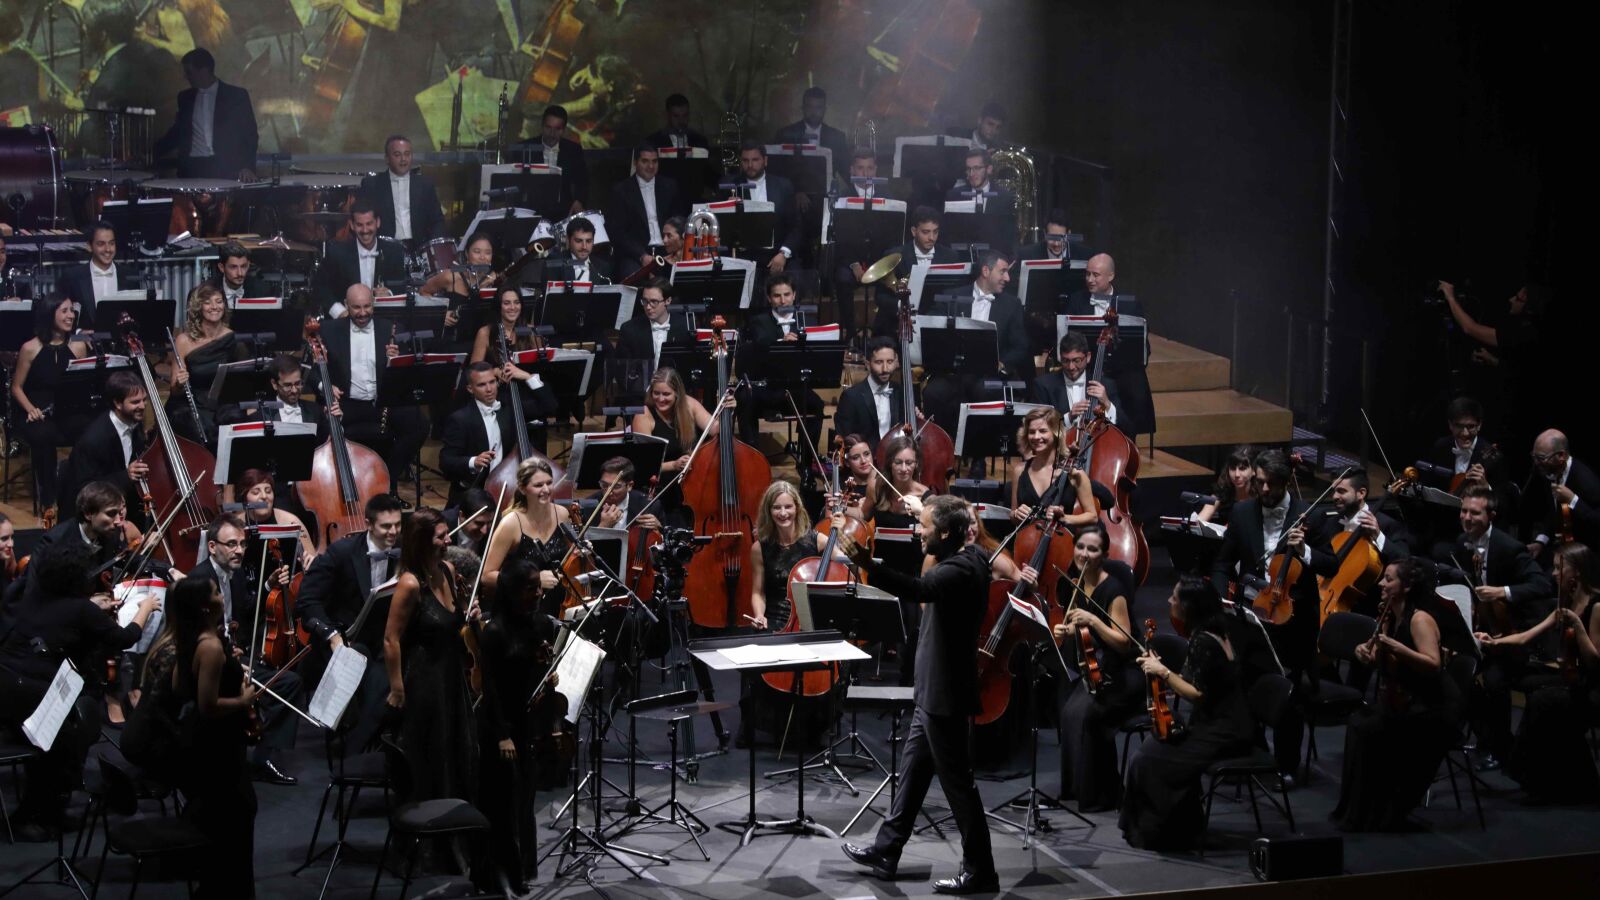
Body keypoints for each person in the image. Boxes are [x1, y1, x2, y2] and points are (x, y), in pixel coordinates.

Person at [840, 495, 998, 895]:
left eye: (925, 526)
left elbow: (917, 588)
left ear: (945, 532)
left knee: (958, 786)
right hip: (932, 691)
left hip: (945, 695)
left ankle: (981, 871)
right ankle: (886, 851)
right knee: (912, 775)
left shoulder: (960, 569)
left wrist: (868, 563)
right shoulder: (965, 557)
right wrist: (924, 507)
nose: (918, 531)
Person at [0, 542, 159, 842]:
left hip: (8, 686)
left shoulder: (35, 598)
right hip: (32, 695)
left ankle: (51, 811)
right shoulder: (81, 609)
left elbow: (69, 615)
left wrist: (92, 607)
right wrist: (145, 609)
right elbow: (124, 637)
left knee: (65, 742)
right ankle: (27, 816)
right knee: (59, 749)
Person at [1209, 449, 1335, 773]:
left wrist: (1305, 550)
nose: (1264, 490)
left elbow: (1331, 565)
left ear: (1286, 482)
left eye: (1272, 484)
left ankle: (1286, 766)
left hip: (1294, 619)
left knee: (1288, 695)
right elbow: (1223, 564)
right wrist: (1222, 599)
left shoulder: (1310, 516)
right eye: (1260, 482)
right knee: (1245, 685)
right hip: (1253, 615)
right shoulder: (1242, 512)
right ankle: (1256, 758)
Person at [1120, 576, 1254, 850]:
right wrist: (1163, 670)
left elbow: (1197, 694)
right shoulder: (1217, 630)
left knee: (1148, 760)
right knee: (1151, 750)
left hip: (1224, 731)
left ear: (1189, 607)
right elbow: (1195, 680)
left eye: (1175, 598)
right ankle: (1182, 827)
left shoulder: (1204, 641)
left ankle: (1168, 834)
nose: (1169, 601)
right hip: (1224, 722)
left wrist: (1163, 672)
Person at [1331, 557, 1463, 832]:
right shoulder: (1389, 614)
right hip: (1406, 698)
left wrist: (1397, 648)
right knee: (1358, 723)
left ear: (1407, 586)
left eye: (1389, 579)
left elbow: (1433, 664)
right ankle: (1361, 811)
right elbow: (1381, 658)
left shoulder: (1420, 619)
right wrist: (1363, 652)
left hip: (1434, 706)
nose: (1381, 583)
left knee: (1370, 730)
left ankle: (1382, 812)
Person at [1436, 483, 1553, 770]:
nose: (1466, 518)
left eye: (1474, 513)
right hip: (1485, 627)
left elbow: (1542, 585)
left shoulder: (1510, 548)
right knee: (1456, 671)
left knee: (1493, 680)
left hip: (1516, 632)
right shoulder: (1462, 543)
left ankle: (1500, 749)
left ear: (1491, 516)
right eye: (1463, 511)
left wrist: (1503, 591)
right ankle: (1479, 736)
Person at [383, 507, 476, 861]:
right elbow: (391, 639)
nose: (448, 541)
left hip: (451, 678)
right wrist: (397, 688)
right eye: (441, 536)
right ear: (422, 540)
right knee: (431, 759)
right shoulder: (410, 584)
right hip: (422, 683)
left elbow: (457, 620)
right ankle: (427, 849)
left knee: (455, 753)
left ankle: (454, 840)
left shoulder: (448, 571)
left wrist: (469, 612)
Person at [191, 514, 301, 785]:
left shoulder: (236, 574)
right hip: (212, 664)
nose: (239, 550)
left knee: (289, 682)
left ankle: (264, 758)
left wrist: (268, 587)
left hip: (237, 654)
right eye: (231, 544)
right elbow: (194, 638)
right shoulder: (199, 581)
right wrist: (230, 662)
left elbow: (247, 611)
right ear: (212, 547)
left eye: (242, 544)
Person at [167, 573, 260, 897]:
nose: (223, 596)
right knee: (236, 818)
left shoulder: (190, 638)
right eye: (216, 593)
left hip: (198, 741)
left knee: (218, 822)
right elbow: (208, 706)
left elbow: (179, 686)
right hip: (218, 746)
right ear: (206, 607)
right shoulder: (210, 648)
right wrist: (243, 700)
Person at [1485, 542, 1600, 802]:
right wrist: (1492, 642)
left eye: (1559, 568)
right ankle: (1541, 776)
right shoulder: (1565, 603)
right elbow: (1525, 637)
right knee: (1524, 681)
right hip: (1575, 679)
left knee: (1543, 700)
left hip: (1593, 687)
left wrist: (1578, 626)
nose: (1553, 573)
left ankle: (1529, 773)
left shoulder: (1596, 606)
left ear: (1576, 572)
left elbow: (1595, 662)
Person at [471, 558, 560, 894]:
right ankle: (498, 875)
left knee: (523, 802)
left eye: (538, 587)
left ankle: (520, 870)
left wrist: (547, 674)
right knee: (502, 804)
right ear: (511, 592)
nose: (538, 593)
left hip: (526, 724)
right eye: (530, 588)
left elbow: (531, 670)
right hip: (501, 726)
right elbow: (490, 688)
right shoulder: (494, 631)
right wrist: (502, 735)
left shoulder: (537, 625)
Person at [294, 493, 404, 754]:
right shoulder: (341, 552)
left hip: (383, 639)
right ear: (369, 524)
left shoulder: (403, 552)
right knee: (372, 674)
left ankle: (370, 740)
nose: (393, 532)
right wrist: (332, 636)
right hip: (344, 640)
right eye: (386, 526)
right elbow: (307, 600)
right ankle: (358, 745)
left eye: (398, 525)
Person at [1048, 522, 1140, 811]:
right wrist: (1068, 631)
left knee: (1089, 714)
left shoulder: (1114, 590)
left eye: (1093, 549)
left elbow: (1123, 643)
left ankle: (1102, 794)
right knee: (1069, 711)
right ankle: (1077, 789)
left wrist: (1094, 621)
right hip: (1098, 667)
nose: (1084, 554)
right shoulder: (1076, 582)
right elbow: (1084, 632)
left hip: (1126, 672)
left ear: (1104, 555)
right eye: (1080, 546)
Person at [309, 283, 424, 495]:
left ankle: (387, 479)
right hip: (347, 403)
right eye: (356, 307)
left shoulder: (389, 328)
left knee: (419, 424)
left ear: (373, 303)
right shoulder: (329, 330)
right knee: (323, 427)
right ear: (346, 305)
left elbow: (406, 371)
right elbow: (312, 372)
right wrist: (325, 386)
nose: (362, 313)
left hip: (381, 403)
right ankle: (335, 490)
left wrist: (396, 359)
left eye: (367, 306)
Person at [919, 248, 1033, 441]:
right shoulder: (951, 296)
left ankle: (978, 450)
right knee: (933, 392)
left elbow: (1021, 346)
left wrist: (1002, 363)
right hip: (955, 373)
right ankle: (943, 446)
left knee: (982, 390)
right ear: (986, 271)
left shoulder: (1012, 304)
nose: (1007, 278)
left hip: (991, 376)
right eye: (1003, 271)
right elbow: (931, 326)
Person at [10, 295, 92, 512]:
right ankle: (49, 500)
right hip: (35, 412)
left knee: (89, 428)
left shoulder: (78, 346)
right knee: (43, 434)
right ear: (50, 314)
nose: (71, 315)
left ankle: (79, 491)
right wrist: (31, 409)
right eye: (64, 311)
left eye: (72, 310)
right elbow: (16, 387)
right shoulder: (30, 348)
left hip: (65, 411)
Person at [1062, 253, 1155, 437]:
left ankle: (1129, 436)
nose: (1089, 279)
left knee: (1134, 381)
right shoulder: (1076, 300)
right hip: (1089, 368)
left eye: (1095, 275)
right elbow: (1068, 340)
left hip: (1120, 370)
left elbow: (1142, 347)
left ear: (1111, 276)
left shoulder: (1130, 304)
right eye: (1087, 274)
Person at [735, 272, 826, 446]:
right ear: (769, 298)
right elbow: (756, 353)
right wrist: (781, 344)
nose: (783, 301)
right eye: (777, 296)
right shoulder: (757, 322)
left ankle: (806, 457)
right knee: (745, 400)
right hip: (765, 387)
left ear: (794, 295)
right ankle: (753, 456)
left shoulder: (808, 321)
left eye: (787, 295)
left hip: (795, 387)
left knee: (816, 405)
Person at [480, 457, 577, 613]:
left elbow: (571, 557)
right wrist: (533, 580)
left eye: (549, 483)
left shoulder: (562, 514)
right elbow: (486, 575)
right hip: (521, 608)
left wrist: (581, 552)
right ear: (523, 489)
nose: (546, 489)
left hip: (560, 603)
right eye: (538, 485)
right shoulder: (511, 524)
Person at [468, 286, 558, 453]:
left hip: (526, 389)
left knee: (543, 406)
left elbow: (540, 370)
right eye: (507, 303)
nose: (512, 307)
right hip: (500, 391)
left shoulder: (530, 331)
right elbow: (474, 369)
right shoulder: (486, 332)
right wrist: (495, 371)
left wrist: (523, 374)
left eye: (516, 303)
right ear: (499, 306)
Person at [151, 47, 257, 181]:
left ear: (204, 71)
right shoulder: (185, 98)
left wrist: (247, 166)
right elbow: (178, 132)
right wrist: (150, 152)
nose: (186, 77)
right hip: (191, 168)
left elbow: (249, 134)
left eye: (189, 72)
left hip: (225, 168)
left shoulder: (236, 96)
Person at [58, 369, 150, 521]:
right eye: (135, 402)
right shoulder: (93, 440)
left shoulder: (134, 422)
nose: (142, 406)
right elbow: (86, 487)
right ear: (118, 403)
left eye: (144, 400)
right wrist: (126, 476)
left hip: (121, 506)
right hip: (92, 516)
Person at [631, 367, 719, 520]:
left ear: (677, 393)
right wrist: (674, 465)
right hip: (661, 485)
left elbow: (715, 430)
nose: (660, 399)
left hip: (691, 480)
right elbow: (645, 465)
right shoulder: (644, 414)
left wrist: (728, 410)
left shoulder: (689, 404)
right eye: (656, 393)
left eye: (666, 394)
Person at [440, 361, 522, 507]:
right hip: (472, 495)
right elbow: (445, 462)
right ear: (470, 389)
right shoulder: (460, 419)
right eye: (482, 385)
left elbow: (548, 405)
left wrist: (528, 377)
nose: (489, 389)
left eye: (492, 382)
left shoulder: (509, 410)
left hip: (506, 489)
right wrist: (473, 462)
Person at [871, 207, 962, 337]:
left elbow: (953, 293)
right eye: (926, 232)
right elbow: (880, 297)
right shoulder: (894, 255)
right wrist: (902, 307)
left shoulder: (950, 256)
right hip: (897, 322)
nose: (932, 238)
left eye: (935, 232)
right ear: (914, 231)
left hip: (936, 322)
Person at [1007, 406, 1101, 526]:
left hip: (1060, 536)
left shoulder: (1074, 472)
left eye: (1042, 431)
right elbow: (1013, 514)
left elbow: (1092, 516)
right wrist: (1016, 514)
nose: (1036, 437)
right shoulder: (1019, 470)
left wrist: (1065, 518)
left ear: (1056, 433)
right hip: (1026, 537)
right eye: (1031, 432)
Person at [169, 282, 238, 444]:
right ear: (198, 307)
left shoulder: (232, 338)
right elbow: (174, 391)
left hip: (222, 403)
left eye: (219, 301)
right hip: (193, 403)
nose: (214, 307)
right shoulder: (183, 340)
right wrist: (179, 383)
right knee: (190, 423)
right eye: (207, 302)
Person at [316, 201, 408, 315]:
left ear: (378, 222)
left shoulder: (394, 251)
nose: (365, 230)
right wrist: (339, 312)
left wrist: (389, 293)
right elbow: (320, 287)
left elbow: (402, 286)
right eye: (359, 225)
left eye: (369, 224)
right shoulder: (337, 253)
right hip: (346, 319)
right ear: (352, 225)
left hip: (383, 318)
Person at [1521, 429, 1600, 556]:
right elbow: (1554, 512)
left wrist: (1573, 500)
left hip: (1586, 554)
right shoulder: (1548, 470)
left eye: (1541, 458)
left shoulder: (1586, 481)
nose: (1536, 462)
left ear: (1561, 456)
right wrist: (1540, 542)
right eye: (1534, 457)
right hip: (1561, 548)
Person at [609, 145, 683, 280]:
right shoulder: (621, 190)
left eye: (654, 161)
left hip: (666, 249)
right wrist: (641, 255)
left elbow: (678, 220)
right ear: (635, 162)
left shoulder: (670, 186)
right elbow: (618, 232)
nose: (651, 166)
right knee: (631, 278)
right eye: (645, 161)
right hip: (636, 253)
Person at [358, 134, 444, 243]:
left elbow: (437, 221)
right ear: (387, 158)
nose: (403, 159)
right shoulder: (371, 185)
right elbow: (362, 219)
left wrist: (433, 245)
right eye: (397, 155)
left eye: (407, 154)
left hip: (419, 247)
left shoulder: (425, 185)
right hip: (385, 247)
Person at [733, 140, 803, 273]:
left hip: (778, 253)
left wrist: (783, 253)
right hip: (746, 256)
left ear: (765, 161)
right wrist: (728, 208)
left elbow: (796, 227)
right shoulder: (731, 186)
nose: (750, 165)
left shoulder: (783, 186)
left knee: (794, 275)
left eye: (755, 160)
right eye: (745, 160)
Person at [834, 336, 911, 452]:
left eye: (890, 362)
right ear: (867, 364)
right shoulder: (851, 397)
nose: (885, 369)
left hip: (896, 458)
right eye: (879, 362)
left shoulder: (902, 393)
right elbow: (845, 440)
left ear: (896, 362)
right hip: (866, 460)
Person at [420, 231, 500, 339]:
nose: (482, 257)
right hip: (453, 339)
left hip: (483, 340)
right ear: (467, 253)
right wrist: (440, 314)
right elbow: (423, 291)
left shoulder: (495, 279)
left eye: (488, 253)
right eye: (477, 252)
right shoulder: (451, 276)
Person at [55, 220, 136, 328]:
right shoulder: (72, 277)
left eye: (111, 243)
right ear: (89, 246)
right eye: (101, 244)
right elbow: (59, 316)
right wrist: (78, 333)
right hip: (84, 338)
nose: (108, 249)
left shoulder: (130, 275)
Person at [513, 104, 589, 218]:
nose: (552, 133)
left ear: (563, 130)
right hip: (531, 211)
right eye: (548, 127)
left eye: (557, 129)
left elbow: (582, 181)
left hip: (563, 211)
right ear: (542, 126)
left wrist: (579, 201)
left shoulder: (573, 150)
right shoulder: (525, 148)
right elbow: (516, 184)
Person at [1031, 331, 1120, 426]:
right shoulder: (1044, 385)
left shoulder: (1106, 385)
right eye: (1065, 361)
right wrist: (1068, 417)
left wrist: (1107, 403)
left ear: (1088, 357)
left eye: (1077, 360)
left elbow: (1125, 427)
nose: (1071, 367)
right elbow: (1037, 426)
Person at [773, 86, 851, 174]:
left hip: (827, 183)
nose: (814, 112)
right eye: (809, 107)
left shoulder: (837, 138)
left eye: (818, 107)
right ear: (803, 108)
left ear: (824, 110)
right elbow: (776, 169)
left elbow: (845, 170)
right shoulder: (785, 135)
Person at [617, 278, 691, 370]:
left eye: (654, 302)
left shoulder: (686, 326)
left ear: (668, 301)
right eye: (645, 301)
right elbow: (623, 370)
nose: (648, 307)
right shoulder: (629, 329)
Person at [527, 215, 611, 287]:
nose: (584, 247)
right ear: (568, 240)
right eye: (578, 241)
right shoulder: (554, 262)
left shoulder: (603, 266)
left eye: (589, 241)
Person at [945, 147, 1015, 219]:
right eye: (969, 169)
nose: (971, 174)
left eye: (977, 168)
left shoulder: (1005, 198)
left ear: (989, 169)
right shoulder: (953, 196)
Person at [1197, 444, 1257, 525]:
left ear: (1254, 471)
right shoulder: (1222, 491)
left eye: (1242, 468)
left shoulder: (1260, 495)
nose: (1237, 474)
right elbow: (1199, 521)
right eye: (1232, 468)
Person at [203, 240, 268, 303]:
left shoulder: (262, 290)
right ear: (221, 268)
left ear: (248, 265)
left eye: (243, 266)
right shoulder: (206, 291)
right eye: (233, 267)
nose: (240, 273)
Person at [1018, 209, 1085, 262]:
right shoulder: (1026, 255)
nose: (1056, 244)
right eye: (1052, 237)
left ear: (1069, 234)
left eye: (1061, 237)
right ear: (1045, 233)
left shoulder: (1084, 255)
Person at [647, 93, 711, 149]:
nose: (681, 120)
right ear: (667, 115)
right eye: (676, 116)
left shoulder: (700, 141)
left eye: (685, 115)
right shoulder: (653, 142)